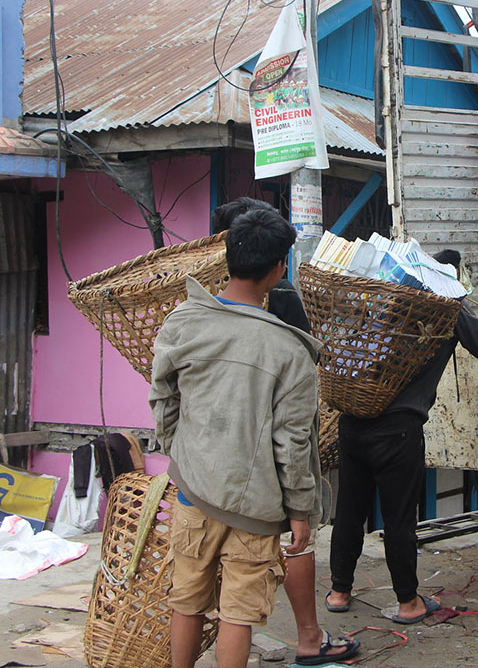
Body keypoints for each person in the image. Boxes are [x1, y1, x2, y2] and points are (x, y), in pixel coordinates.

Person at [149, 209, 356, 668]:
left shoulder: (184, 320)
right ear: (280, 268)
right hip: (257, 508)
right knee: (237, 616)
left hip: (193, 492)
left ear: (228, 256)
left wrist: (179, 452)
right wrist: (301, 511)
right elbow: (293, 445)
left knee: (186, 600)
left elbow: (162, 397)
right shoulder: (290, 349)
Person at [326, 251, 478, 623]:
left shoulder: (381, 297)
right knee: (399, 519)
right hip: (398, 431)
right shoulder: (446, 308)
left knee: (349, 508)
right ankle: (408, 602)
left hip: (354, 420)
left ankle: (339, 591)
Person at [209, 198, 358, 665]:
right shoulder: (282, 298)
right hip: (265, 461)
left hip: (207, 461)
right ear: (274, 262)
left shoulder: (197, 302)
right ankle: (309, 639)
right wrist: (299, 507)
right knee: (256, 586)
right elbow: (294, 418)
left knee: (194, 593)